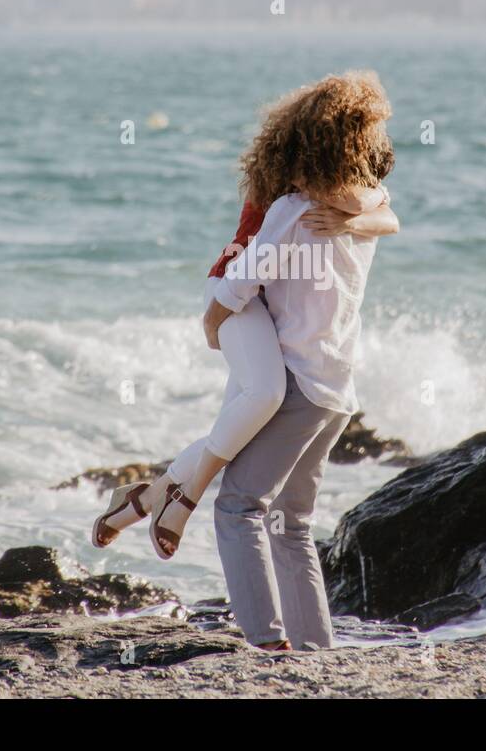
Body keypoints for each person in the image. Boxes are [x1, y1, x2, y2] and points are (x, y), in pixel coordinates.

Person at [91, 71, 398, 571]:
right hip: (234, 296)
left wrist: (353, 221)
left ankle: (144, 499)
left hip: (257, 304)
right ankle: (184, 498)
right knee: (266, 397)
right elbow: (249, 268)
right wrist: (214, 318)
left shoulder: (338, 185)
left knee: (244, 423)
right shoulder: (290, 180)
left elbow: (385, 212)